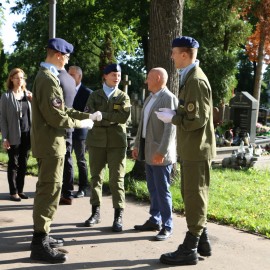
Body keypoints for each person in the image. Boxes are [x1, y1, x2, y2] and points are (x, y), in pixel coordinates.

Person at [30, 37, 101, 264]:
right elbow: (56, 116)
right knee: (49, 191)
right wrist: (82, 124)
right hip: (51, 145)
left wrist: (87, 116)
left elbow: (65, 109)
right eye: (67, 56)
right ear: (59, 55)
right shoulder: (48, 79)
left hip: (53, 144)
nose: (68, 60)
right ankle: (39, 242)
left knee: (52, 190)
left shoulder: (47, 77)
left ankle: (44, 234)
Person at [156, 36, 216, 265]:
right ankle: (203, 242)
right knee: (192, 194)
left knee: (194, 195)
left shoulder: (195, 81)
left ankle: (189, 248)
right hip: (193, 148)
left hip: (197, 149)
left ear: (184, 54)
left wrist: (174, 118)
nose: (171, 56)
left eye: (174, 53)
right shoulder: (189, 77)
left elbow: (197, 119)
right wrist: (176, 116)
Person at [83, 63, 131, 232]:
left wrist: (102, 116)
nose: (116, 77)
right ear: (105, 76)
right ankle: (95, 212)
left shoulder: (123, 97)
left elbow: (123, 117)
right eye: (113, 74)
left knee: (116, 179)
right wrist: (110, 119)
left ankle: (118, 215)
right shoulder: (95, 95)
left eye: (118, 75)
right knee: (96, 177)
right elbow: (89, 114)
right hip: (96, 141)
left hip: (117, 143)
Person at [132, 67, 178, 241]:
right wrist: (137, 145)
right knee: (152, 188)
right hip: (148, 150)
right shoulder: (149, 98)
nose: (146, 81)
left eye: (149, 78)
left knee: (162, 190)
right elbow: (142, 125)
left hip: (160, 153)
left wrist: (162, 151)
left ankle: (167, 226)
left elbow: (170, 128)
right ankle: (154, 219)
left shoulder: (168, 99)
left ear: (158, 78)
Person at [0, 68, 32, 202]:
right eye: (17, 78)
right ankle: (13, 192)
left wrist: (33, 100)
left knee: (23, 163)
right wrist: (5, 137)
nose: (20, 80)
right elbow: (2, 118)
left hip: (27, 134)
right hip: (13, 134)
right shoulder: (6, 96)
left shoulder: (28, 95)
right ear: (11, 79)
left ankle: (20, 190)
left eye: (22, 77)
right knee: (14, 163)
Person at [68, 66, 93, 198]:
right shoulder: (64, 89)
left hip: (80, 132)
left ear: (79, 77)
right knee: (67, 159)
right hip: (66, 130)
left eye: (72, 75)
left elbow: (87, 113)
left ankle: (83, 187)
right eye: (68, 74)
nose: (69, 77)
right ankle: (68, 187)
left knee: (81, 160)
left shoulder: (87, 92)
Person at [58, 67, 76, 205]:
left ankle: (58, 192)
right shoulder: (71, 80)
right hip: (69, 126)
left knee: (58, 160)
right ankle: (68, 193)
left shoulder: (56, 78)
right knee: (68, 158)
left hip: (58, 126)